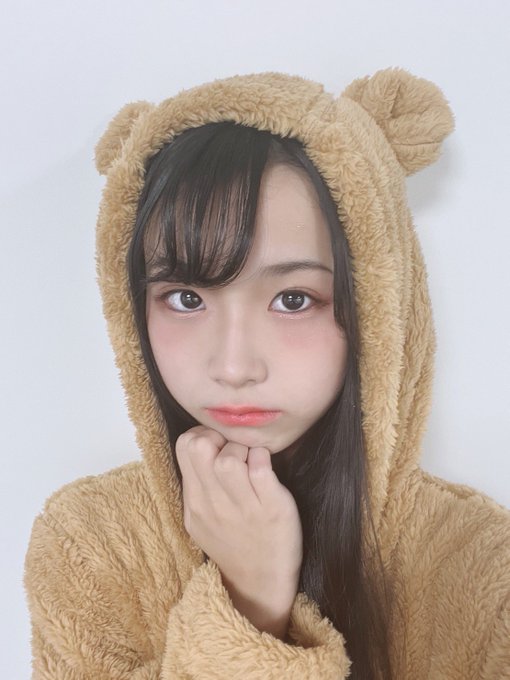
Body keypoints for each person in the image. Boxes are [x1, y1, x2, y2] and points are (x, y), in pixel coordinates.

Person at [23, 68, 510, 679]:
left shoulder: (480, 564)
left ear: (378, 306)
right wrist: (250, 605)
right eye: (186, 299)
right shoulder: (91, 544)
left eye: (294, 299)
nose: (233, 367)